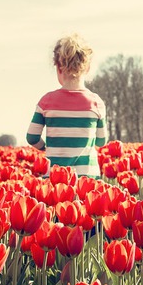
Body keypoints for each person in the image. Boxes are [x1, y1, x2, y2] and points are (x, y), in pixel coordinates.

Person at [26, 32, 108, 178]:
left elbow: (32, 137)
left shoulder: (47, 101)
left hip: (55, 177)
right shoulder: (96, 103)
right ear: (87, 68)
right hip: (87, 177)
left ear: (58, 68)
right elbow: (102, 141)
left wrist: (46, 147)